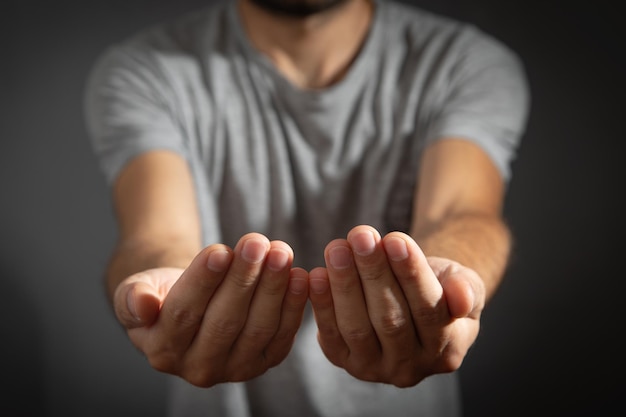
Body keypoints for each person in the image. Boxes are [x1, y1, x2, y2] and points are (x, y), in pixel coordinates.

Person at [84, 0, 530, 415]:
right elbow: (156, 235)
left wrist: (451, 277)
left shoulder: (465, 62)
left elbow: (460, 213)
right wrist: (161, 294)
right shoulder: (145, 69)